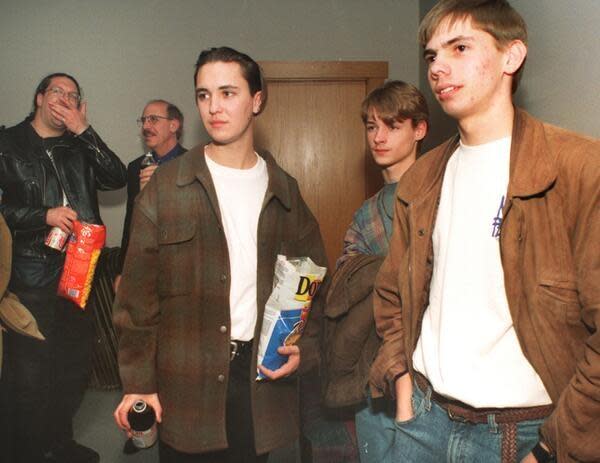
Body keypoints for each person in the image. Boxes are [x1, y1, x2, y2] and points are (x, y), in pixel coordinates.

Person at [370, 1, 599, 462]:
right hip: (422, 418)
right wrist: (402, 396)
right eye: (432, 55)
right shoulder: (423, 176)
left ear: (511, 57)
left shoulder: (577, 168)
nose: (438, 68)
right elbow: (392, 295)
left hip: (524, 434)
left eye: (459, 47)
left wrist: (553, 448)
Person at [113, 47, 327, 463]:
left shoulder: (285, 191)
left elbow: (313, 280)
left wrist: (308, 346)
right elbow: (136, 298)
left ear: (257, 100)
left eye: (228, 93)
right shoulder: (166, 186)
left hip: (257, 380)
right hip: (185, 378)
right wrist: (137, 382)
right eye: (204, 95)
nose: (214, 107)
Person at [0, 72, 127, 463]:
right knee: (29, 372)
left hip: (80, 270)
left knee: (72, 365)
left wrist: (84, 130)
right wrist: (44, 215)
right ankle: (24, 450)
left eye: (73, 95)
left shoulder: (80, 143)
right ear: (39, 98)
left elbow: (116, 177)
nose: (65, 99)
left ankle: (60, 441)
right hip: (30, 270)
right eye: (57, 92)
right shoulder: (8, 143)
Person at [323, 81, 428, 463]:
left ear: (419, 130)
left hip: (431, 374)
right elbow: (345, 287)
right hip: (373, 368)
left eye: (392, 126)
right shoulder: (367, 213)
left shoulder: (441, 192)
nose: (378, 137)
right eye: (371, 126)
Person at [115, 99, 186, 291]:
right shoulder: (135, 167)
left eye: (153, 119)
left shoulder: (194, 165)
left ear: (173, 125)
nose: (146, 126)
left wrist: (166, 182)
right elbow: (131, 220)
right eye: (144, 120)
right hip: (142, 270)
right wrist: (123, 270)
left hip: (182, 270)